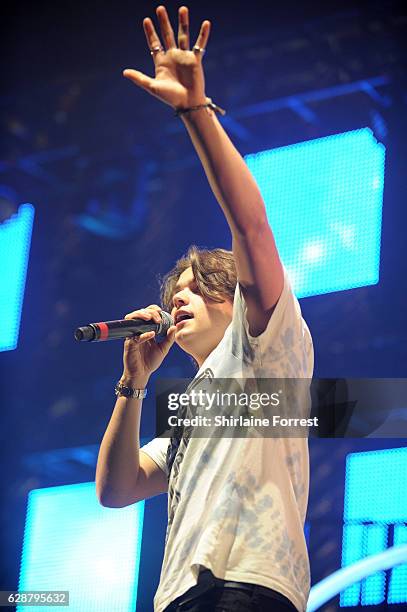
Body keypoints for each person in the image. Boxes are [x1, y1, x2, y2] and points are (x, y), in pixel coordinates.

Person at [95, 5, 314, 612]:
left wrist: (195, 112)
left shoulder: (263, 351)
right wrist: (131, 384)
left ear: (233, 296)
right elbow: (116, 489)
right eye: (173, 294)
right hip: (180, 596)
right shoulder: (195, 408)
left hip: (247, 586)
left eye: (193, 287)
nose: (177, 301)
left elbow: (251, 224)